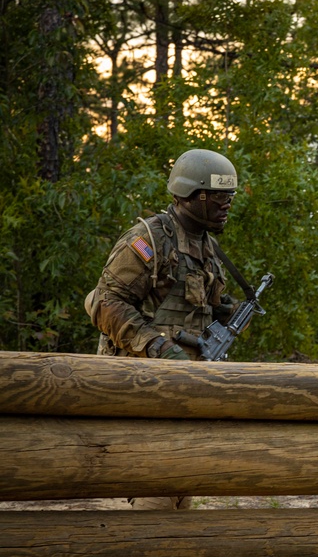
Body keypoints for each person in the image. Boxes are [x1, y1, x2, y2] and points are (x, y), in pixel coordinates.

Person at [85, 148, 241, 511]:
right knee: (149, 492)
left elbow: (189, 311)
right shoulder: (149, 240)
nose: (227, 205)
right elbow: (105, 303)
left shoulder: (207, 247)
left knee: (181, 489)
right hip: (140, 383)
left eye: (229, 197)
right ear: (194, 196)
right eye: (219, 197)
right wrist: (154, 344)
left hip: (185, 387)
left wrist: (218, 313)